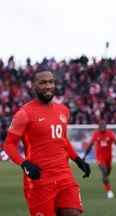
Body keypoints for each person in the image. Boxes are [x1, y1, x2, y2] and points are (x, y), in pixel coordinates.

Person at [3, 68, 91, 216]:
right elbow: (8, 144)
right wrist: (24, 164)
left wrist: (77, 159)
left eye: (51, 82)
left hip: (64, 177)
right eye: (43, 82)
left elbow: (62, 140)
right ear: (34, 86)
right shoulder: (24, 114)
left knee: (73, 213)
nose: (48, 86)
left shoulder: (63, 110)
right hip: (40, 181)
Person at [83, 120, 116, 199]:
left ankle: (105, 181)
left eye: (103, 125)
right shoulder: (95, 134)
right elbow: (90, 146)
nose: (102, 127)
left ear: (106, 126)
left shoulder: (110, 133)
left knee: (107, 173)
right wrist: (84, 156)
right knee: (104, 172)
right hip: (100, 158)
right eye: (100, 125)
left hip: (109, 158)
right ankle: (109, 191)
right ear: (98, 126)